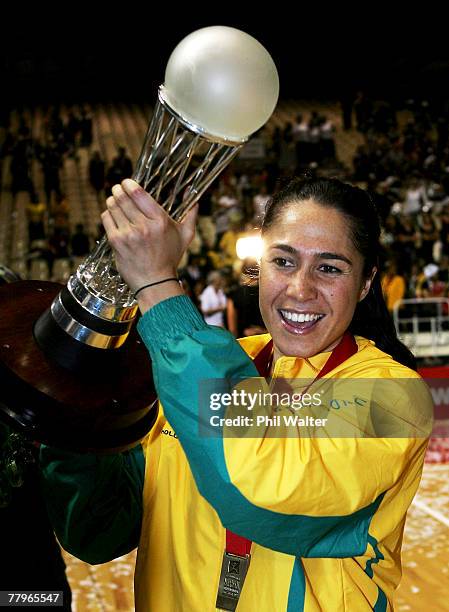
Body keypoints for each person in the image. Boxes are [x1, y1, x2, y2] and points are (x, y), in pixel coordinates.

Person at [40, 177, 432, 611]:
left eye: (329, 267)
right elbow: (99, 531)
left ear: (364, 282)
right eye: (283, 261)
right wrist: (72, 416)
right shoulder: (197, 370)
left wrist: (155, 285)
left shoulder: (392, 396)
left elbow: (262, 489)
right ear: (259, 267)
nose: (300, 288)